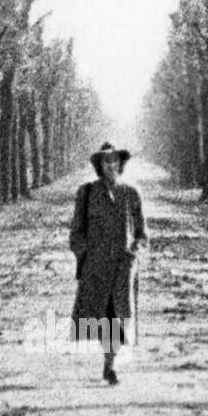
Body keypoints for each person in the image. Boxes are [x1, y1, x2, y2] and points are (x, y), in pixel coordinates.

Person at [69, 141, 148, 386]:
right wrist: (85, 254)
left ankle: (109, 365)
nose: (110, 166)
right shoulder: (87, 193)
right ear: (99, 167)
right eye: (105, 162)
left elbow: (142, 234)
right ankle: (108, 362)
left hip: (123, 266)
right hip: (96, 266)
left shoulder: (132, 193)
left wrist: (134, 252)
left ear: (120, 164)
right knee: (102, 316)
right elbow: (76, 233)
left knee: (116, 315)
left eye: (114, 162)